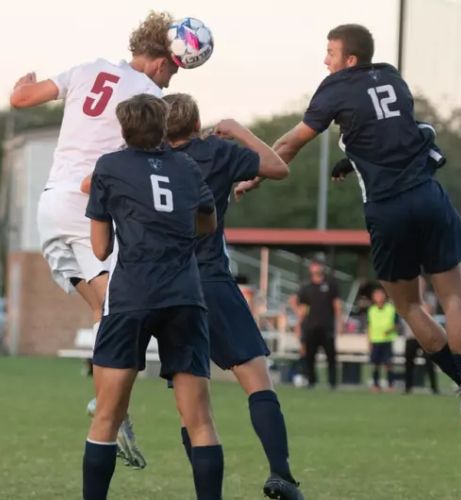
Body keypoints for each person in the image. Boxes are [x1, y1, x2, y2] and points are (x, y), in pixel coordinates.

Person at [269, 23, 461, 428]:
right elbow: (393, 133)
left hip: (388, 210)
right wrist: (351, 158)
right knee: (455, 300)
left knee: (409, 305)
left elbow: (289, 144)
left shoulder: (334, 88)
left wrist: (253, 172)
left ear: (349, 60)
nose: (326, 60)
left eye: (331, 53)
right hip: (427, 196)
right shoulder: (391, 75)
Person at [9, 11, 180, 467]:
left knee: (106, 308)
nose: (171, 78)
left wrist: (22, 83)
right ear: (163, 62)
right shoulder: (150, 95)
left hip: (49, 210)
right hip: (85, 208)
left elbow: (22, 98)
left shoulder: (86, 69)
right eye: (175, 68)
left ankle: (109, 405)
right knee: (127, 308)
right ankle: (110, 407)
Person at [161, 93, 302, 499]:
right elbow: (277, 167)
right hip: (211, 280)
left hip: (169, 288)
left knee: (193, 408)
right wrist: (239, 130)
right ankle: (281, 474)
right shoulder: (217, 152)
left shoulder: (147, 161)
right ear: (195, 124)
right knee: (257, 381)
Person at [84, 94, 221, 500]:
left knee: (107, 417)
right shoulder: (186, 166)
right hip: (184, 294)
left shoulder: (109, 166)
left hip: (132, 295)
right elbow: (207, 224)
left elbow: (99, 249)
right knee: (200, 421)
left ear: (123, 128)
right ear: (163, 127)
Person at [292, 261, 341, 390]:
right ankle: (311, 381)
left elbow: (337, 306)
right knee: (310, 357)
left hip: (327, 327)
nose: (316, 268)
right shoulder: (306, 287)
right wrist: (298, 324)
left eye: (318, 266)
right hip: (311, 327)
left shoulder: (330, 285)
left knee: (331, 357)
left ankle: (332, 383)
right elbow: (302, 308)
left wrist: (340, 323)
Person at [403, 279, 439, 394]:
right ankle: (408, 387)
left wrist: (421, 300)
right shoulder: (407, 297)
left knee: (429, 363)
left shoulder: (430, 298)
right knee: (409, 363)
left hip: (426, 336)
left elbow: (429, 311)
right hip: (411, 335)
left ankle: (434, 388)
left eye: (421, 285)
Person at [366, 287, 399, 392]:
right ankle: (376, 385)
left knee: (388, 363)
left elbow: (396, 325)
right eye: (376, 295)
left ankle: (390, 384)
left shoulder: (391, 309)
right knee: (375, 364)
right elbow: (369, 327)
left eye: (380, 295)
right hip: (375, 340)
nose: (379, 297)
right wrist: (369, 341)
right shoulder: (371, 310)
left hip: (387, 340)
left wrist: (389, 330)